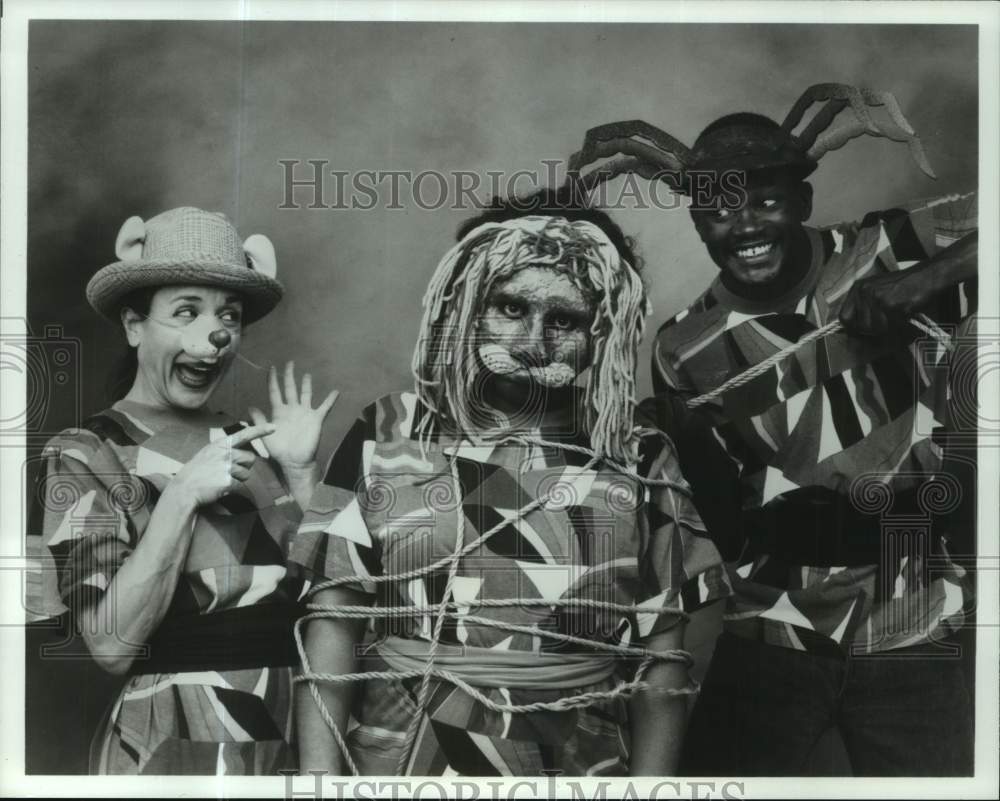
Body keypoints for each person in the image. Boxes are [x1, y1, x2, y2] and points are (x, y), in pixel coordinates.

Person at [567, 86, 977, 775]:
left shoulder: (887, 246)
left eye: (766, 200)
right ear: (697, 220)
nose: (745, 224)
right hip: (772, 622)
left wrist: (922, 281)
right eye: (720, 208)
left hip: (917, 616)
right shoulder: (683, 347)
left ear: (805, 202)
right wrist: (680, 442)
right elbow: (727, 527)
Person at [291, 195, 730, 777]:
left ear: (603, 330)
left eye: (564, 320)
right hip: (403, 757)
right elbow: (332, 620)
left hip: (577, 764)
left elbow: (665, 655)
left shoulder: (637, 452)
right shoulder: (391, 430)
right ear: (469, 307)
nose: (533, 343)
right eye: (510, 308)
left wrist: (650, 793)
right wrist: (320, 784)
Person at [39, 206, 337, 775]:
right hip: (172, 745)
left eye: (229, 314)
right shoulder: (84, 452)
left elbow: (333, 608)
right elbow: (111, 645)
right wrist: (179, 497)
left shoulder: (252, 443)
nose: (217, 333)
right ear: (134, 325)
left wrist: (301, 476)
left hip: (287, 739)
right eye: (186, 311)